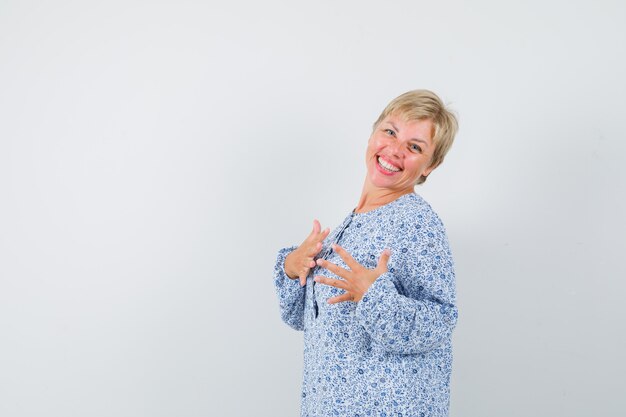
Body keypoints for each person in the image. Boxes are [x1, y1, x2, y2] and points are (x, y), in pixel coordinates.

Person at [273, 90, 459, 417]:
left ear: (431, 165)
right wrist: (292, 266)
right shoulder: (353, 224)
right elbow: (305, 319)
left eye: (414, 147)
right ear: (373, 133)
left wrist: (373, 295)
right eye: (390, 131)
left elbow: (440, 322)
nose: (394, 150)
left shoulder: (416, 224)